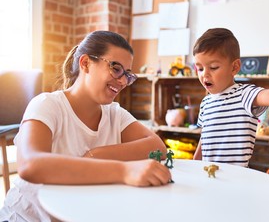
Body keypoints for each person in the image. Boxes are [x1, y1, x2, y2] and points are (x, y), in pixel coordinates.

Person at [0, 30, 171, 222]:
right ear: (86, 63)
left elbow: (157, 146)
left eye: (127, 75)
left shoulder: (115, 113)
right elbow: (30, 165)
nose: (123, 81)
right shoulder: (47, 105)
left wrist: (96, 155)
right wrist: (124, 171)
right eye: (116, 69)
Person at [192, 28, 269, 167]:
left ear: (234, 67)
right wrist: (195, 164)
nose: (205, 75)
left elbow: (268, 95)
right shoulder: (206, 103)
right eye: (200, 68)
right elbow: (205, 138)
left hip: (235, 178)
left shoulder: (243, 95)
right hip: (209, 175)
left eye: (214, 67)